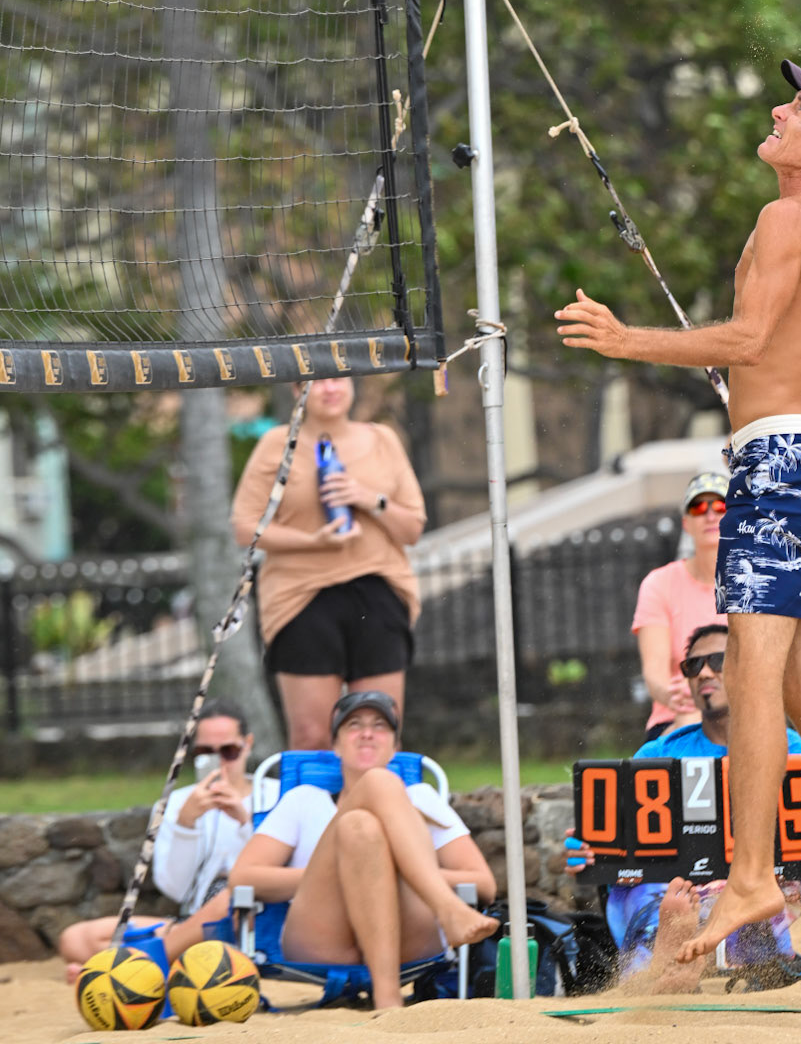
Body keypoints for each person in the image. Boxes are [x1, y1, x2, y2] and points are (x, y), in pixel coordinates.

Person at [557, 0, 801, 969]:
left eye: (795, 113)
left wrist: (631, 340)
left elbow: (751, 341)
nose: (778, 114)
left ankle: (754, 874)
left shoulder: (788, 211)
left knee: (756, 680)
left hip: (783, 462)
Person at [567, 620, 801, 984]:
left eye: (717, 659)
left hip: (762, 881)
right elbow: (617, 846)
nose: (704, 673)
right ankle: (670, 962)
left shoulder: (793, 749)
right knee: (648, 889)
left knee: (792, 884)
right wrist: (590, 852)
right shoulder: (657, 753)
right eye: (693, 666)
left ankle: (673, 964)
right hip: (677, 891)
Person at [230, 690, 498, 1011]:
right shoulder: (303, 800)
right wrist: (342, 873)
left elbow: (484, 884)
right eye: (354, 724)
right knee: (370, 797)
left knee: (360, 825)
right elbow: (242, 878)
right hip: (322, 938)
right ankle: (445, 908)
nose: (367, 733)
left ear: (396, 746)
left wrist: (400, 872)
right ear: (335, 744)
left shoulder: (422, 797)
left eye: (380, 726)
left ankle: (387, 995)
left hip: (407, 937)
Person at [230, 374, 426, 748]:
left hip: (378, 590)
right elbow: (245, 528)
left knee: (378, 733)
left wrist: (368, 498)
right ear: (296, 389)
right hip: (301, 596)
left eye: (338, 378)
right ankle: (314, 807)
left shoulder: (382, 439)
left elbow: (413, 528)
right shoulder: (277, 443)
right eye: (317, 381)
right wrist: (312, 541)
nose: (330, 388)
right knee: (312, 735)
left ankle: (375, 807)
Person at [58, 700, 255, 977]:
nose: (219, 761)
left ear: (248, 744)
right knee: (75, 938)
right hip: (193, 924)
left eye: (229, 751)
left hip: (254, 919)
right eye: (205, 752)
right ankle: (169, 962)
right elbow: (175, 889)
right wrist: (186, 824)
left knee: (230, 899)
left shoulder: (274, 793)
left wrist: (246, 819)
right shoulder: (177, 802)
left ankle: (128, 972)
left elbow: (282, 870)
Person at [633, 472, 727, 730]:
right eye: (699, 508)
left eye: (721, 506)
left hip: (740, 713)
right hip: (677, 716)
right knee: (690, 722)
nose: (710, 515)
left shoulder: (753, 582)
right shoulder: (659, 584)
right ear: (686, 523)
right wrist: (676, 697)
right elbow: (655, 675)